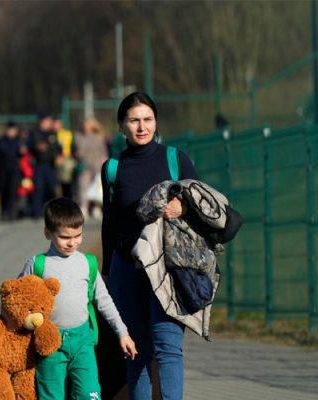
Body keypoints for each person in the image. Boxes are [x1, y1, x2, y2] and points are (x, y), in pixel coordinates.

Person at [101, 92, 199, 400]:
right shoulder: (113, 168)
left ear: (156, 122)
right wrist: (105, 274)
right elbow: (109, 224)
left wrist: (181, 208)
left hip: (169, 270)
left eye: (148, 119)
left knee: (168, 345)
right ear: (121, 126)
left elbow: (203, 204)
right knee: (135, 349)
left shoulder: (175, 158)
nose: (142, 127)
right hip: (126, 270)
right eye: (134, 120)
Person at [18, 198, 137, 400]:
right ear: (48, 233)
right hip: (50, 344)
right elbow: (18, 301)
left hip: (84, 342)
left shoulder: (88, 263)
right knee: (51, 396)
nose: (72, 242)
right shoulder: (38, 265)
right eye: (65, 237)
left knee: (89, 394)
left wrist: (122, 333)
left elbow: (104, 301)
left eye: (78, 235)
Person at [75, 118, 109, 219]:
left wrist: (104, 160)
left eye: (89, 125)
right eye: (85, 125)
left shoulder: (99, 136)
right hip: (85, 164)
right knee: (83, 186)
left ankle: (96, 208)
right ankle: (83, 207)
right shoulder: (78, 136)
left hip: (98, 164)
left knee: (97, 187)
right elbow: (78, 149)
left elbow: (104, 150)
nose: (86, 127)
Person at [28, 113, 61, 218]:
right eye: (48, 121)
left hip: (51, 165)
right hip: (39, 164)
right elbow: (30, 146)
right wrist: (37, 147)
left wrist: (58, 156)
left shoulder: (52, 134)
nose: (50, 123)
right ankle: (36, 212)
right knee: (39, 188)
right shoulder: (35, 133)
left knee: (52, 188)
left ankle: (52, 213)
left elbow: (57, 147)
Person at [0, 122, 23, 220]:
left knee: (13, 191)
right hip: (3, 169)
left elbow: (23, 154)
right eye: (10, 130)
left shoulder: (19, 141)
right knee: (3, 190)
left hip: (14, 170)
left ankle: (12, 211)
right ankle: (4, 211)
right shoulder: (0, 141)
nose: (11, 132)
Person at [53, 118, 77, 200]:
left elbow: (73, 147)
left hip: (66, 159)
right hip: (55, 160)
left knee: (66, 180)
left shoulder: (67, 134)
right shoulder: (52, 135)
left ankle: (68, 199)